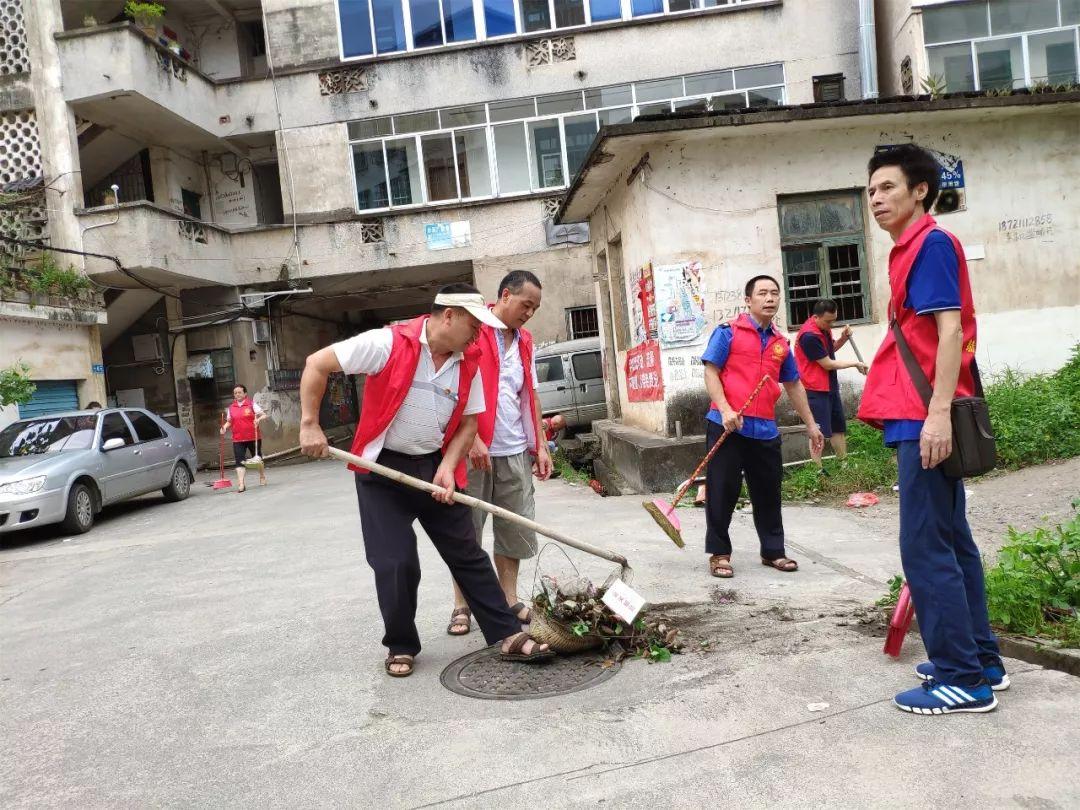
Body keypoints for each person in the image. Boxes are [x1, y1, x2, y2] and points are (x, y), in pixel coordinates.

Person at [298, 283, 553, 678]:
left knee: (467, 553)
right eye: (473, 325)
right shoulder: (388, 343)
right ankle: (401, 643)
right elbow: (317, 363)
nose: (477, 335)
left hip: (433, 466)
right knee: (396, 561)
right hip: (382, 472)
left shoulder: (470, 359)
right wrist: (309, 424)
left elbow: (469, 423)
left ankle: (505, 632)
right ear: (448, 316)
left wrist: (449, 466)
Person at [859, 143, 1005, 715]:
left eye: (888, 187)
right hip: (915, 410)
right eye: (871, 191)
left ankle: (961, 677)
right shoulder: (910, 249)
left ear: (921, 190)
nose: (876, 199)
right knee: (951, 541)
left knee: (924, 546)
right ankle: (982, 659)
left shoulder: (932, 245)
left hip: (924, 414)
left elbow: (950, 332)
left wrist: (938, 414)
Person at [447, 271, 552, 636]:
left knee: (513, 529)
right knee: (466, 531)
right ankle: (463, 604)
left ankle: (509, 598)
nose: (530, 313)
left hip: (513, 450)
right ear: (505, 295)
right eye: (526, 305)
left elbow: (530, 396)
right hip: (473, 449)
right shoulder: (473, 328)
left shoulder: (525, 340)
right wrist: (471, 438)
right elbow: (455, 386)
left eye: (535, 308)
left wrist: (538, 445)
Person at [701, 276, 825, 579]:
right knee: (722, 489)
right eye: (762, 293)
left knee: (769, 491)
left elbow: (793, 383)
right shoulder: (727, 333)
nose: (770, 298)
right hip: (728, 425)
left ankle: (773, 551)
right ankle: (719, 553)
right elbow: (710, 371)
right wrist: (727, 409)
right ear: (748, 300)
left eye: (774, 293)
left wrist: (811, 425)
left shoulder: (781, 344)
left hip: (765, 429)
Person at [793, 299, 868, 466]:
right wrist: (854, 363)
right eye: (828, 321)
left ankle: (844, 464)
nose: (831, 325)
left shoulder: (823, 329)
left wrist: (843, 338)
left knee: (838, 427)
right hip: (815, 389)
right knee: (817, 431)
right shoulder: (809, 336)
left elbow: (829, 350)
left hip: (829, 386)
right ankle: (817, 470)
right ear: (816, 317)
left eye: (834, 320)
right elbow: (827, 363)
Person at [221, 384, 267, 492]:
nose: (237, 394)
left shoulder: (251, 404)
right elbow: (229, 421)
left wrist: (258, 420)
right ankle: (241, 483)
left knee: (258, 458)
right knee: (239, 461)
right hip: (238, 439)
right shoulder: (231, 408)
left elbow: (263, 415)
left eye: (239, 392)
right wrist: (224, 427)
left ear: (245, 393)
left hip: (253, 437)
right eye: (235, 393)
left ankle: (262, 476)